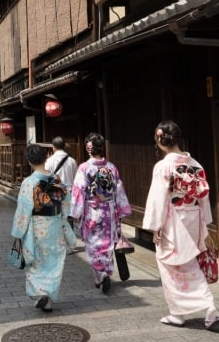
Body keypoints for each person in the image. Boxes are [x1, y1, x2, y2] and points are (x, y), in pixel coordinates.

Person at [142, 120, 219, 330]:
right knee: (187, 263)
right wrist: (204, 221)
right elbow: (203, 196)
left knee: (174, 266)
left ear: (160, 139)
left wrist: (155, 226)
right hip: (193, 216)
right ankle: (179, 312)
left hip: (173, 220)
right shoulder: (195, 164)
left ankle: (205, 308)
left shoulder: (164, 166)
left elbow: (158, 198)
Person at [11, 144, 74, 312]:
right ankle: (49, 296)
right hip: (54, 226)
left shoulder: (29, 182)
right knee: (54, 262)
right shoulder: (56, 180)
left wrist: (18, 231)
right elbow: (65, 204)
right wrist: (61, 217)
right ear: (46, 158)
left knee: (35, 261)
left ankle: (41, 293)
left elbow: (24, 209)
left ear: (29, 161)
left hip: (36, 228)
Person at [68, 133, 131, 294]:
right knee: (107, 243)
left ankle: (100, 275)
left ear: (88, 148)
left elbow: (78, 191)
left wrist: (75, 213)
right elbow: (118, 190)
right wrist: (121, 210)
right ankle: (106, 271)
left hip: (92, 211)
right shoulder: (111, 167)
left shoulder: (84, 168)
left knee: (93, 244)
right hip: (109, 210)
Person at [46, 137, 80, 252]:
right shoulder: (72, 161)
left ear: (53, 147)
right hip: (69, 191)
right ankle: (70, 245)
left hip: (55, 192)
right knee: (68, 218)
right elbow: (76, 177)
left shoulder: (49, 161)